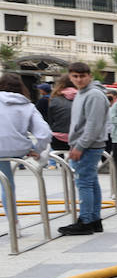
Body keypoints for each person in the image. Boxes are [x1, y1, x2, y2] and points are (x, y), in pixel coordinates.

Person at [58, 62, 108, 236]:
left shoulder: (94, 95)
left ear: (90, 76)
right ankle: (94, 220)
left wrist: (80, 146)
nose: (79, 79)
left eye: (82, 76)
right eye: (75, 76)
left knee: (84, 183)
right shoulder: (82, 93)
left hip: (88, 145)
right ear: (70, 77)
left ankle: (86, 220)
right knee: (91, 182)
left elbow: (93, 124)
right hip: (84, 144)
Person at [0, 74, 52, 225]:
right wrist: (36, 149)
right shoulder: (27, 105)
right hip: (18, 149)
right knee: (8, 184)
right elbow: (44, 134)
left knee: (5, 183)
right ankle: (14, 223)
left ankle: (13, 222)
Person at [47, 76, 73, 164]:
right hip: (78, 139)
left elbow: (50, 120)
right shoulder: (83, 97)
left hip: (58, 140)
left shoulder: (54, 100)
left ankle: (58, 164)